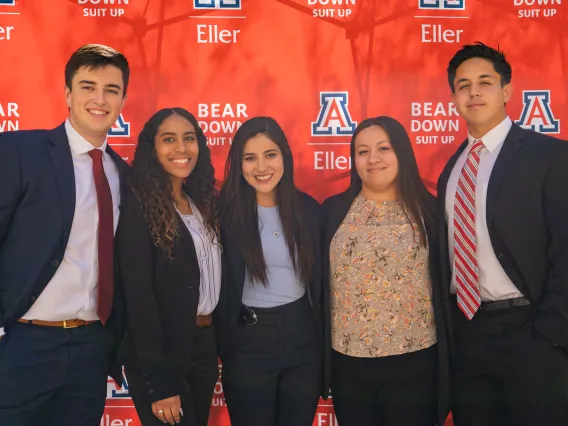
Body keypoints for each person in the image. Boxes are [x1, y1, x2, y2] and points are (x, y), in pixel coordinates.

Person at [438, 42, 568, 426]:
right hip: (469, 336)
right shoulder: (453, 169)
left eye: (485, 82)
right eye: (463, 85)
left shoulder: (548, 156)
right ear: (454, 97)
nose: (474, 92)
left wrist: (549, 335)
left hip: (530, 334)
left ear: (507, 91)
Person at [0, 44, 130, 426]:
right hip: (24, 343)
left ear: (123, 99)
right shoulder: (20, 151)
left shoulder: (124, 175)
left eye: (112, 89)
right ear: (68, 93)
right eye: (88, 86)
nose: (99, 99)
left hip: (91, 348)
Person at [322, 116, 450, 426]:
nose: (373, 159)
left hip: (415, 366)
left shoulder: (430, 210)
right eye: (362, 151)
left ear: (402, 153)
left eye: (383, 148)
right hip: (349, 367)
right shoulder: (332, 210)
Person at [216, 116, 325, 426]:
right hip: (249, 339)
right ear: (238, 164)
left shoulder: (309, 210)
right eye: (250, 158)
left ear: (284, 158)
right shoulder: (222, 214)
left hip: (302, 337)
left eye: (270, 155)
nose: (261, 167)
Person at [116, 108, 221, 426]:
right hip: (161, 352)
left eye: (189, 138)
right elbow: (139, 300)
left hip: (203, 345)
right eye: (169, 139)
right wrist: (160, 383)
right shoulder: (138, 206)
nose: (181, 148)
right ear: (153, 148)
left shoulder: (200, 202)